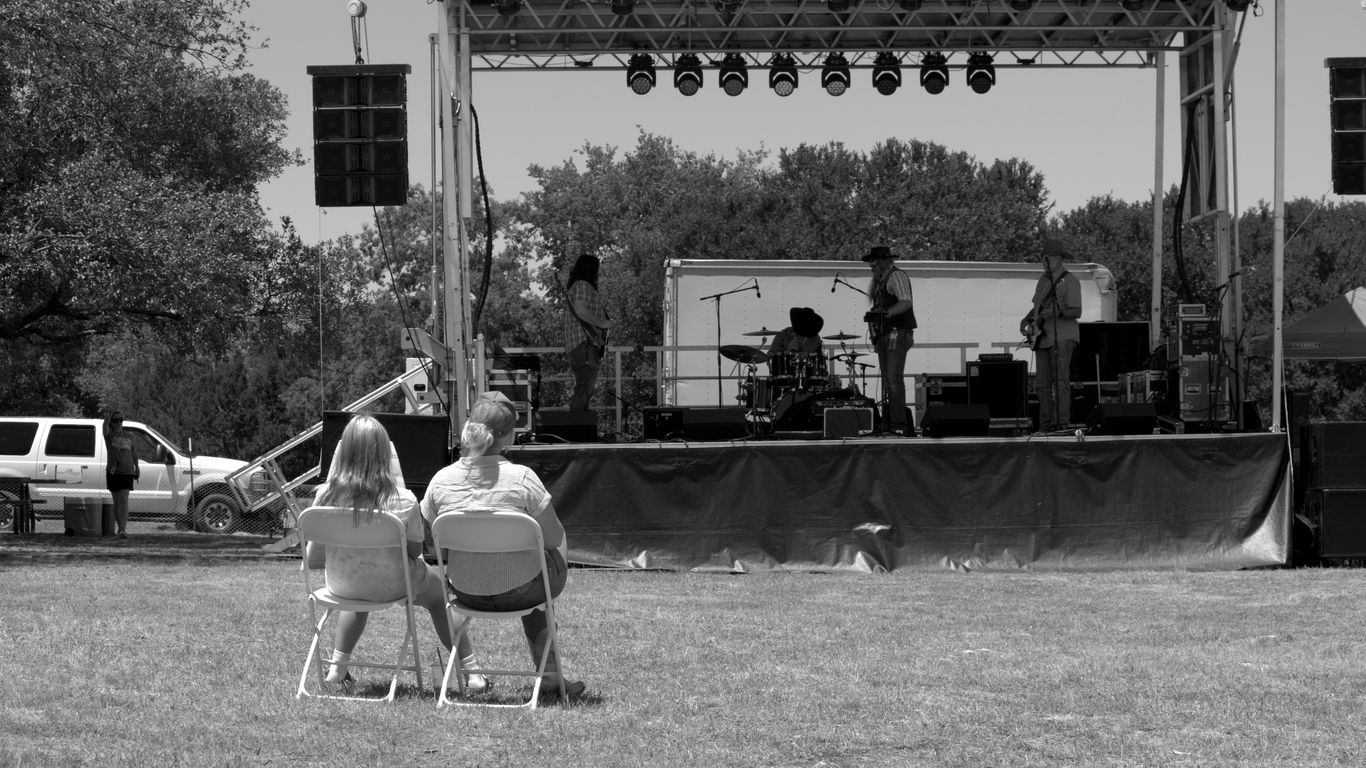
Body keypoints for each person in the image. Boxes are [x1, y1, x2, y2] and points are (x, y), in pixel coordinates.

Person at [421, 392, 586, 698]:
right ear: (510, 436)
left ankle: (470, 670)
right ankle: (548, 673)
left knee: (529, 569)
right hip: (524, 591)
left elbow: (435, 545)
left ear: (469, 428)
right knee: (544, 568)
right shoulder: (523, 479)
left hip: (466, 591)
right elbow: (553, 537)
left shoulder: (440, 481)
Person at [311, 414, 487, 693]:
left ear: (343, 453)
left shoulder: (323, 496)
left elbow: (312, 555)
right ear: (384, 454)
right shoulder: (403, 500)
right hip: (394, 583)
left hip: (341, 584)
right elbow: (415, 550)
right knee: (439, 592)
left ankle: (337, 668)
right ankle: (473, 672)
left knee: (356, 596)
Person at [1020, 237, 1083, 432]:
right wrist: (1026, 320)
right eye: (1043, 258)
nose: (1043, 262)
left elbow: (1076, 311)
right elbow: (1037, 307)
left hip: (1062, 337)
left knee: (1061, 381)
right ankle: (1045, 424)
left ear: (1057, 258)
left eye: (1046, 258)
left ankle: (1061, 423)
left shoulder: (1070, 280)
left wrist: (1059, 312)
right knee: (1041, 384)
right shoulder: (1042, 280)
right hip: (1043, 338)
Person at [863, 245, 917, 434]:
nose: (871, 265)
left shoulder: (897, 276)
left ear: (885, 261)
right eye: (871, 262)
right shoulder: (879, 282)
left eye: (874, 261)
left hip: (898, 332)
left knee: (894, 379)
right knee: (888, 380)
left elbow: (906, 301)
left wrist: (888, 313)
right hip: (885, 335)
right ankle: (890, 421)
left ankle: (898, 425)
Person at [564, 253, 613, 412]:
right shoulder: (583, 286)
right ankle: (576, 429)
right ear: (591, 270)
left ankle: (580, 427)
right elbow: (581, 310)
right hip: (584, 346)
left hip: (583, 345)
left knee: (585, 389)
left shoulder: (578, 286)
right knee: (584, 389)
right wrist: (602, 323)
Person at [766, 307, 826, 383]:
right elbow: (769, 358)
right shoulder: (783, 335)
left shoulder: (815, 338)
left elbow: (819, 362)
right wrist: (787, 352)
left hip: (808, 381)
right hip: (785, 380)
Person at [103, 412, 139, 538]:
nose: (119, 423)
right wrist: (108, 414)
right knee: (117, 502)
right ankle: (120, 529)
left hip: (127, 471)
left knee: (123, 500)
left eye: (121, 420)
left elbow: (134, 453)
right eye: (115, 420)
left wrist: (137, 467)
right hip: (113, 472)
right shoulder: (109, 435)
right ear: (111, 423)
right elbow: (104, 427)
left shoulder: (130, 436)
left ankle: (123, 529)